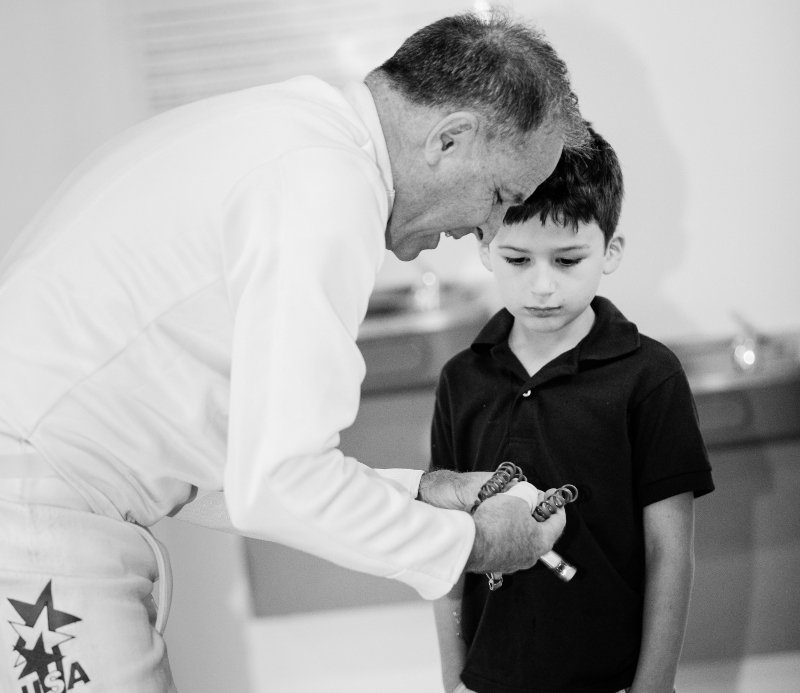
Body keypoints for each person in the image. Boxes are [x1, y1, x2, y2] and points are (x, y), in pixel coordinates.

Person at [0, 10, 587, 693]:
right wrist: (476, 544)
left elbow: (229, 461)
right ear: (449, 138)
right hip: (35, 519)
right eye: (500, 196)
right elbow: (279, 483)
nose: (487, 231)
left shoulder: (289, 133)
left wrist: (424, 493)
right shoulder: (325, 185)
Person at [430, 126, 715, 693]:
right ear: (484, 247)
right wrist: (452, 678)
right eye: (517, 258)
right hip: (488, 678)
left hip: (611, 678)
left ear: (610, 251)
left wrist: (654, 686)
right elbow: (443, 541)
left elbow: (669, 551)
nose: (542, 286)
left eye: (567, 260)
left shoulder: (650, 376)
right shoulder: (461, 380)